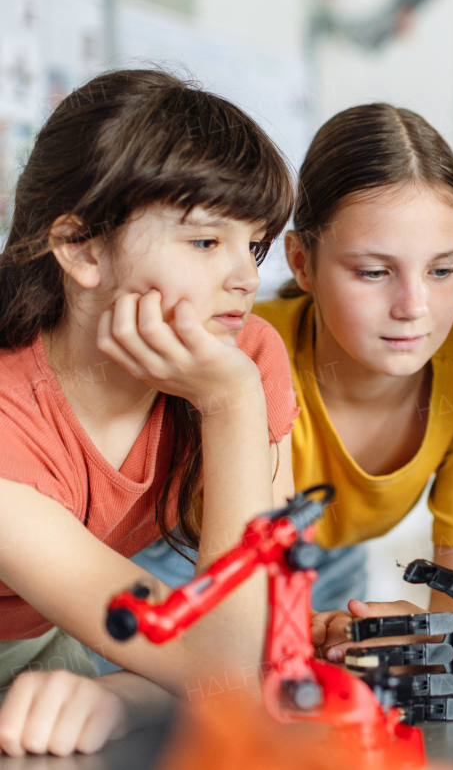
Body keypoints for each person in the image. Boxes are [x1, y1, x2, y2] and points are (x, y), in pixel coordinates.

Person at [129, 104, 453, 663]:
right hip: (184, 564)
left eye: (441, 270)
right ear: (302, 263)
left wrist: (424, 629)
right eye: (374, 272)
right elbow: (251, 583)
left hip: (328, 567)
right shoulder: (245, 347)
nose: (414, 307)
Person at [0, 69, 297, 755]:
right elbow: (225, 667)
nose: (247, 277)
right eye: (204, 242)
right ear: (81, 247)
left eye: (253, 244)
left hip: (44, 642)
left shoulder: (238, 353)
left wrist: (116, 695)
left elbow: (265, 649)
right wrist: (228, 405)